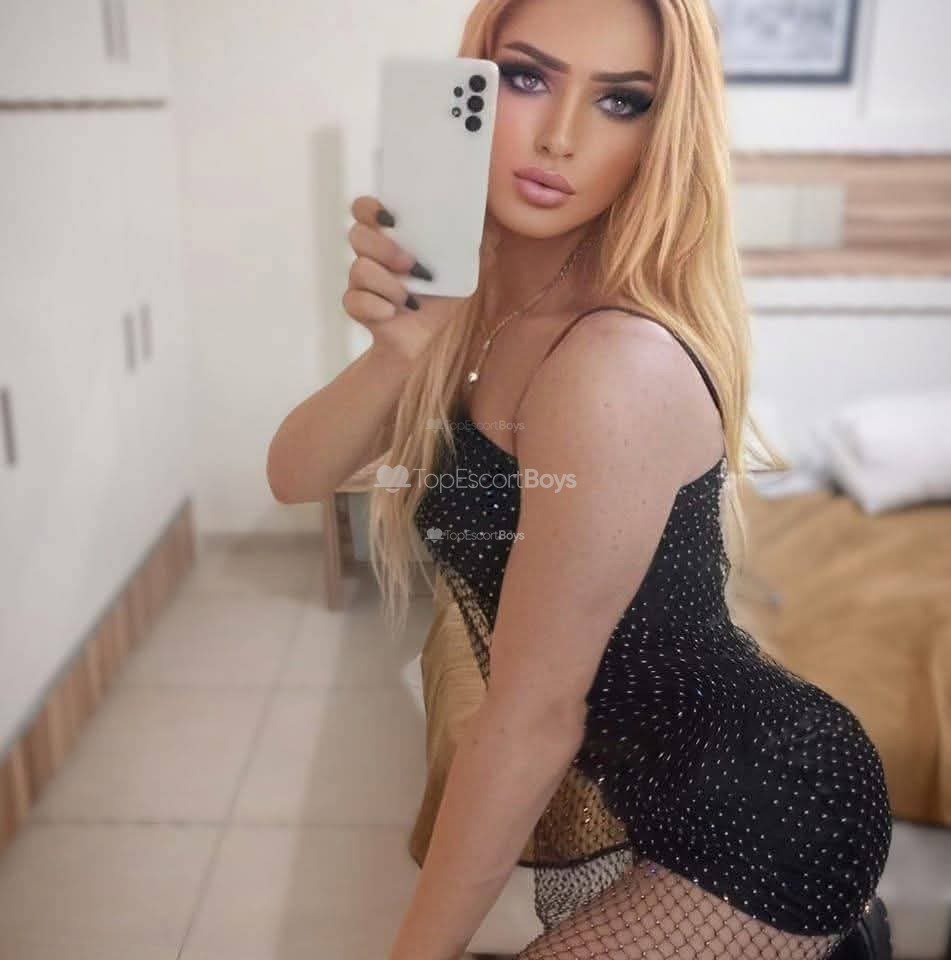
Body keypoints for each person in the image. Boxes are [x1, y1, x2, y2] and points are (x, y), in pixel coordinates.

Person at [267, 1, 893, 958]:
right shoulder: (475, 315)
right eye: (527, 78)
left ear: (660, 136)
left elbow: (531, 716)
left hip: (768, 803)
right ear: (473, 85)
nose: (559, 137)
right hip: (654, 785)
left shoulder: (611, 363)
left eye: (621, 100)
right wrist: (399, 350)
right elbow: (294, 474)